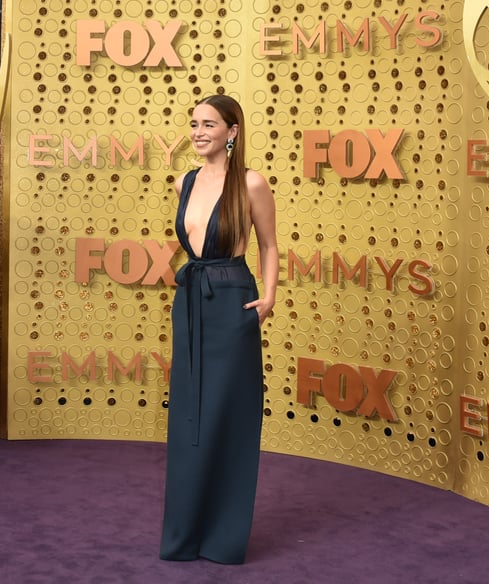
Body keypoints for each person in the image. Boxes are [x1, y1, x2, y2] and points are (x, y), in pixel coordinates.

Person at [159, 95, 279, 564]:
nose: (198, 131)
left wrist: (268, 298)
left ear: (232, 131)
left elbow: (269, 245)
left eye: (209, 124)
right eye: (194, 123)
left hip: (232, 303)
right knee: (189, 418)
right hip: (190, 302)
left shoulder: (251, 183)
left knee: (227, 417)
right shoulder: (183, 182)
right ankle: (185, 535)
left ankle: (223, 539)